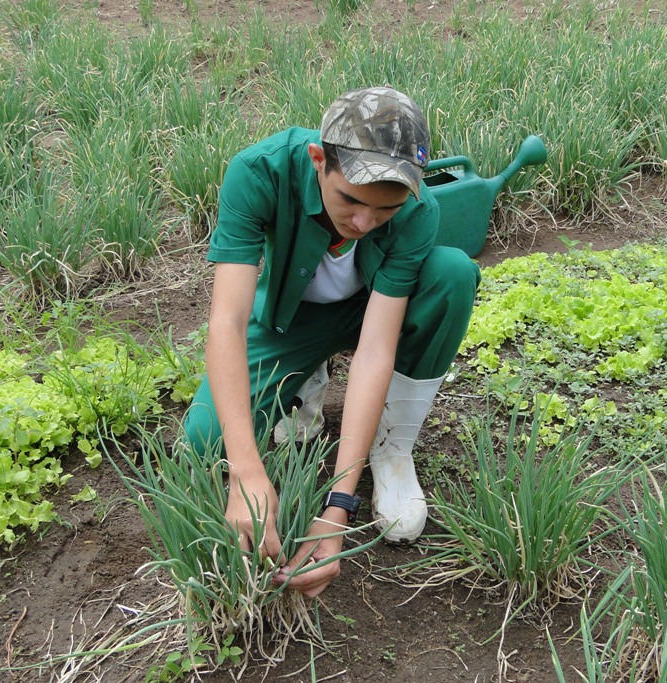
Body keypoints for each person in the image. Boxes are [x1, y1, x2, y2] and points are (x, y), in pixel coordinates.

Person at [182, 86, 480, 598]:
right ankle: (306, 377)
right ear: (319, 159)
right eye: (351, 200)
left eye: (383, 211)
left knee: (453, 273)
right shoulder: (259, 172)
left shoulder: (417, 208)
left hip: (372, 311)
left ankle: (393, 448)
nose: (364, 222)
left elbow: (374, 351)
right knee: (206, 445)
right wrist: (247, 474)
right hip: (290, 320)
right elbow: (225, 323)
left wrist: (339, 506)